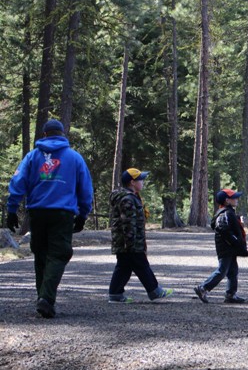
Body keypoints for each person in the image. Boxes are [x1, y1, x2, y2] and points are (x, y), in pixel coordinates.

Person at [6, 119, 94, 318]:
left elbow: (18, 182)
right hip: (62, 213)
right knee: (59, 253)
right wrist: (82, 214)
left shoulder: (32, 157)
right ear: (62, 134)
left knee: (41, 253)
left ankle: (43, 298)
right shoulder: (74, 158)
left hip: (37, 212)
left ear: (44, 135)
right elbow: (86, 189)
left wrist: (12, 210)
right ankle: (45, 299)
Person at [108, 168, 174, 303]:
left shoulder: (131, 197)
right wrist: (131, 243)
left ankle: (115, 294)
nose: (143, 182)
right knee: (141, 264)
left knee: (124, 267)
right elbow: (128, 223)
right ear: (132, 182)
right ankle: (155, 291)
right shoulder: (127, 199)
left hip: (126, 242)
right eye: (140, 179)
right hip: (130, 242)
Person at [194, 189, 248, 304]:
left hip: (230, 248)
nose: (237, 199)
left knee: (233, 271)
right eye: (234, 197)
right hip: (226, 248)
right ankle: (203, 288)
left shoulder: (229, 212)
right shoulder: (225, 213)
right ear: (227, 200)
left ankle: (231, 294)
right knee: (222, 270)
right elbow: (222, 228)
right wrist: (233, 241)